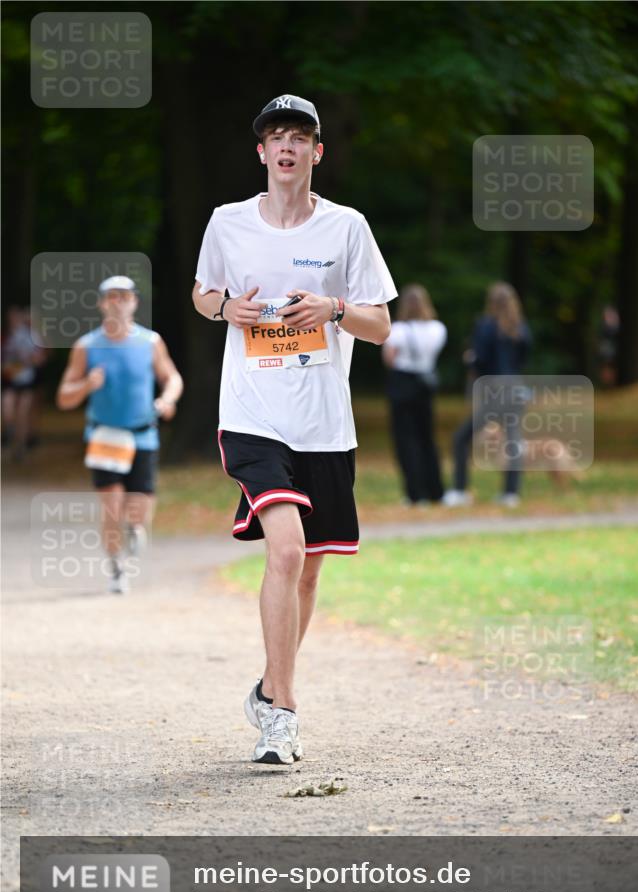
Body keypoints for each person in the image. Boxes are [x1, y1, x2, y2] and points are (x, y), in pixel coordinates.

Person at [192, 94, 397, 766]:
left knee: (307, 573)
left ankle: (271, 684)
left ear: (316, 153)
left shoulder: (346, 228)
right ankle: (282, 715)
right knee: (283, 551)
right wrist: (227, 308)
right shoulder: (227, 222)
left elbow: (380, 325)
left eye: (298, 136)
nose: (286, 146)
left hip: (323, 421)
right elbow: (202, 293)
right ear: (261, 152)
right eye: (274, 136)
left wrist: (333, 308)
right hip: (252, 413)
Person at [56, 275, 183, 593]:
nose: (117, 302)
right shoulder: (86, 346)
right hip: (105, 437)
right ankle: (116, 567)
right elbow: (64, 397)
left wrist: (167, 400)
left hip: (143, 435)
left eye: (124, 296)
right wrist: (86, 385)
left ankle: (133, 529)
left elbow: (173, 378)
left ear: (135, 302)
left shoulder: (151, 342)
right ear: (101, 303)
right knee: (112, 504)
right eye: (111, 296)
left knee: (138, 512)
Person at [444, 281, 531, 508]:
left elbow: (480, 359)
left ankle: (460, 489)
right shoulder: (520, 328)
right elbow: (523, 359)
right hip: (515, 388)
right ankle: (511, 493)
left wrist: (470, 358)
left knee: (461, 438)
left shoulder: (486, 325)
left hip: (495, 389)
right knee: (513, 439)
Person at [382, 284, 447, 505]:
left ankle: (415, 493)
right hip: (425, 383)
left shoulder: (398, 329)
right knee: (427, 437)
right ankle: (436, 490)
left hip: (402, 382)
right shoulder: (438, 328)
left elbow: (390, 358)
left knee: (405, 440)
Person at [1, 306, 47, 461]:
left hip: (27, 379)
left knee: (22, 413)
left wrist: (28, 360)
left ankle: (19, 446)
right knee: (8, 410)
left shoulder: (32, 336)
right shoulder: (6, 335)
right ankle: (10, 432)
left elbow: (41, 357)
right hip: (9, 379)